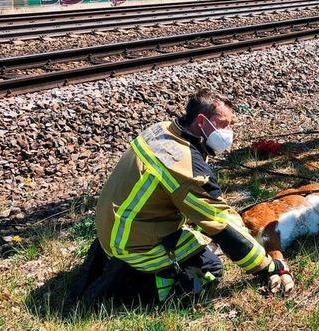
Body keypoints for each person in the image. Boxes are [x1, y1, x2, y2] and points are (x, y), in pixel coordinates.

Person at [93, 89, 288, 303]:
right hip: (131, 245)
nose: (229, 132)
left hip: (112, 226)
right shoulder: (185, 167)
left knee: (198, 239)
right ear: (202, 122)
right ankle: (153, 291)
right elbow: (219, 223)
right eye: (224, 124)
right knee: (209, 267)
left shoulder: (162, 129)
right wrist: (269, 266)